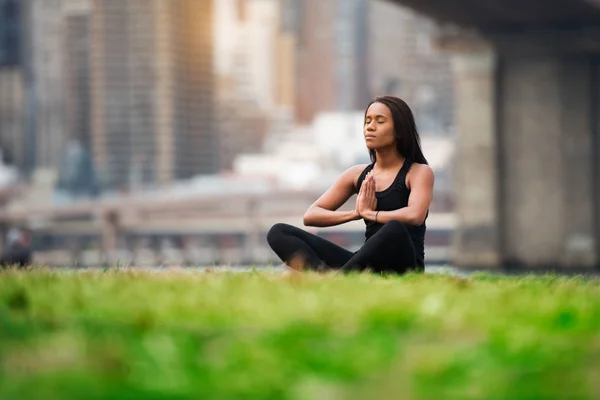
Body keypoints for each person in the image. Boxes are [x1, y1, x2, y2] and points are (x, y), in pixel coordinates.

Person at [267, 96, 434, 274]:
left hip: (404, 265)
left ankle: (338, 279)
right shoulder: (356, 174)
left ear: (399, 130)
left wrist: (372, 214)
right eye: (367, 121)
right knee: (278, 232)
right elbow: (311, 216)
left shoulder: (418, 172)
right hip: (366, 263)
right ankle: (327, 276)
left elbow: (415, 215)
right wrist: (354, 214)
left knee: (394, 228)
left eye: (380, 121)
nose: (370, 127)